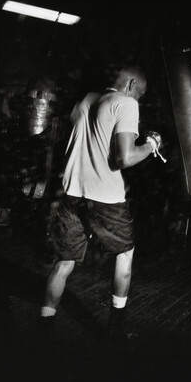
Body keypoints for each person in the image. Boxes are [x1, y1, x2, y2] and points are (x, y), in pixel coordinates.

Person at [40, 65, 162, 336]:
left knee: (64, 263)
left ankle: (44, 326)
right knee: (125, 254)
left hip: (71, 194)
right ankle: (116, 330)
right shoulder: (126, 103)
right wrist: (151, 146)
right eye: (139, 93)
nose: (138, 99)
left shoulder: (86, 100)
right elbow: (125, 158)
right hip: (105, 199)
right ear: (131, 85)